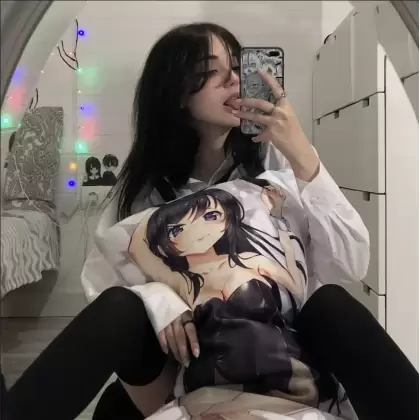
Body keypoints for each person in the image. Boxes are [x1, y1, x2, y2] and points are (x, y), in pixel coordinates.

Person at [4, 22, 418, 420]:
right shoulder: (145, 191)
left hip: (280, 346)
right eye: (210, 72)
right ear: (176, 94)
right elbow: (105, 284)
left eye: (237, 66)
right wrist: (159, 298)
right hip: (189, 358)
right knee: (120, 324)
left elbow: (352, 263)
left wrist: (302, 154)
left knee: (332, 304)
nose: (234, 79)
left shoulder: (276, 165)